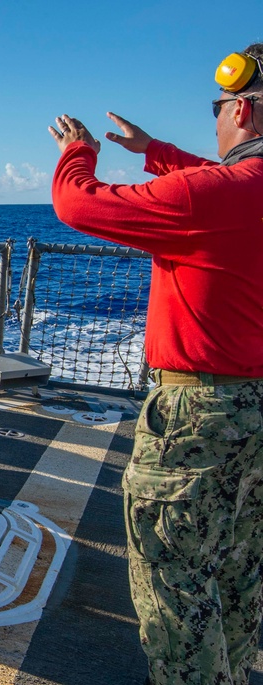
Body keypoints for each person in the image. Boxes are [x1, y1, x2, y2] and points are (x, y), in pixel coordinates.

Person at [48, 45, 263, 685]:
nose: (217, 121)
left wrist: (76, 153)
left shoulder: (213, 196)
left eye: (218, 109)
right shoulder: (233, 194)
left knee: (174, 581)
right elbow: (222, 186)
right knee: (238, 566)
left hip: (201, 416)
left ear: (242, 111)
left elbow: (77, 204)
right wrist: (156, 149)